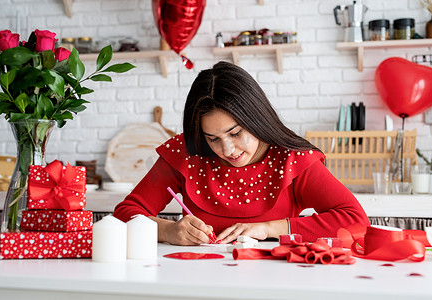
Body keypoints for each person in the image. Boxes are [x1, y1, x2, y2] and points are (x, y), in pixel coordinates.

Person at [113, 61, 369, 246]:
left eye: (235, 133)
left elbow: (356, 221)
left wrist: (270, 228)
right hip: (193, 280)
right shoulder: (185, 153)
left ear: (256, 118)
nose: (227, 150)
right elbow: (125, 213)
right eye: (212, 138)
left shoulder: (291, 158)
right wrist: (168, 231)